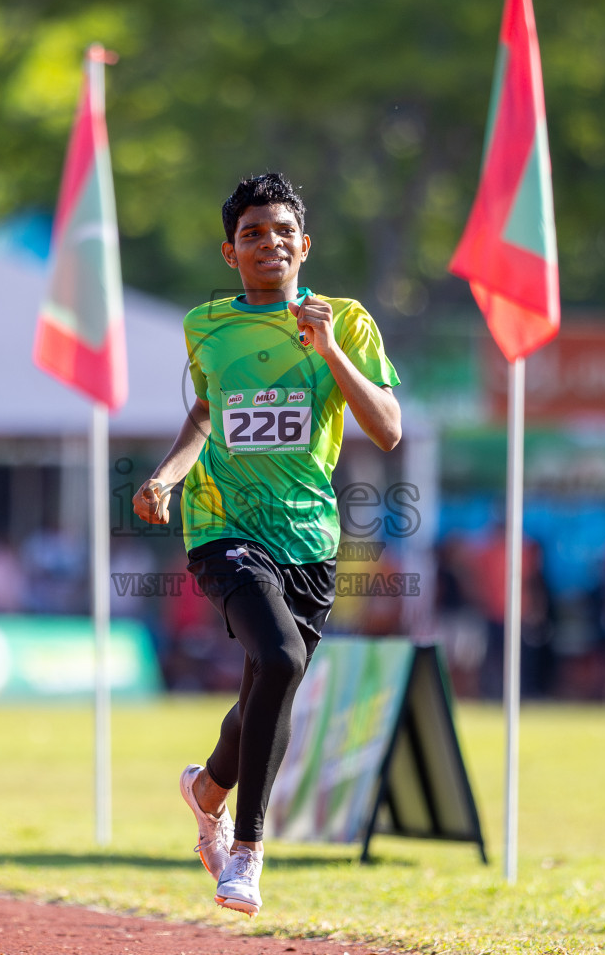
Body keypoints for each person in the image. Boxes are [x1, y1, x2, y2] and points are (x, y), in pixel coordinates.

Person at [134, 173, 401, 917]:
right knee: (279, 659)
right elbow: (207, 409)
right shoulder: (206, 325)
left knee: (266, 685)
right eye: (252, 234)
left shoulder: (346, 321)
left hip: (309, 539)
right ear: (231, 253)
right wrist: (165, 477)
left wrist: (329, 351)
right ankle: (247, 853)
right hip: (222, 527)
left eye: (283, 231)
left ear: (304, 244)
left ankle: (205, 789)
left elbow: (387, 429)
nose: (269, 243)